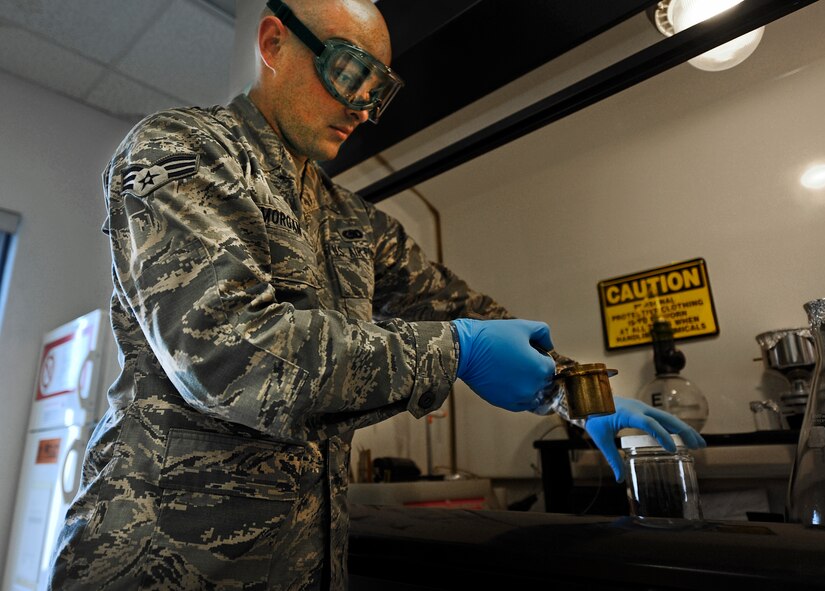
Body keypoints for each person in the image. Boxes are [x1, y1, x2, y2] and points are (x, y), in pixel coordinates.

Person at [49, 0, 705, 589]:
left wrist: (577, 392)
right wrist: (456, 352)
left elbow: (462, 311)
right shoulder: (181, 150)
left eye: (379, 90)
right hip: (158, 563)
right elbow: (231, 359)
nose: (363, 108)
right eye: (349, 74)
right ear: (275, 42)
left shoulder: (352, 224)